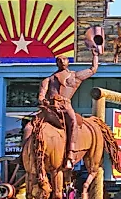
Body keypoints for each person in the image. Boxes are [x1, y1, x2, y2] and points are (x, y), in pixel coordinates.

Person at [38, 42, 100, 170]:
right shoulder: (48, 80)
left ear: (68, 62)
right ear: (56, 63)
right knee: (31, 125)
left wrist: (95, 56)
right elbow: (41, 95)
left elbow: (93, 69)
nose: (61, 61)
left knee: (73, 122)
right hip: (50, 108)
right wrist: (43, 101)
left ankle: (70, 154)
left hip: (65, 106)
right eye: (59, 60)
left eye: (64, 59)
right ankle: (23, 155)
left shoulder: (75, 76)